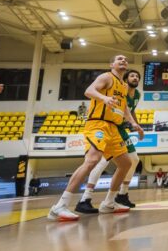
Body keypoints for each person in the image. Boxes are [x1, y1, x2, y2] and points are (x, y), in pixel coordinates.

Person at [47, 55, 144, 221]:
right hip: (98, 124)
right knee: (92, 160)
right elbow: (89, 91)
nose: (123, 60)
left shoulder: (123, 85)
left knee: (126, 163)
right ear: (112, 64)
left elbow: (125, 107)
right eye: (119, 59)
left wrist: (134, 123)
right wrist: (104, 98)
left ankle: (109, 202)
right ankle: (60, 206)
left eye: (125, 59)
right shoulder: (106, 77)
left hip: (113, 128)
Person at [77, 69, 143, 213]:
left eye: (137, 76)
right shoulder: (120, 89)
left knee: (133, 160)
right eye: (132, 76)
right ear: (126, 79)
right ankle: (86, 198)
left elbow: (130, 111)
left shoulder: (137, 95)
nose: (135, 78)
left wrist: (136, 126)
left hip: (120, 129)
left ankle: (122, 194)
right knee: (101, 161)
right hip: (108, 125)